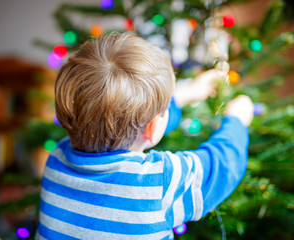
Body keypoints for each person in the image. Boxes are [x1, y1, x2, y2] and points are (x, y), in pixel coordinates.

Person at [36, 32, 254, 239]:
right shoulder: (159, 182)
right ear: (153, 128)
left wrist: (185, 95)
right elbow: (222, 164)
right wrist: (237, 120)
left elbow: (121, 124)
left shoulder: (57, 156)